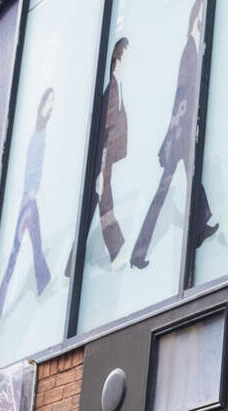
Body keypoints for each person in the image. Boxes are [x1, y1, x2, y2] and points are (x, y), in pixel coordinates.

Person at [129, 0, 217, 269]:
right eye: (200, 14)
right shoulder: (190, 49)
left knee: (187, 182)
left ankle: (199, 227)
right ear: (194, 19)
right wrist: (173, 136)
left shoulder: (194, 47)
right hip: (181, 133)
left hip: (181, 131)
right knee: (167, 190)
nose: (203, 19)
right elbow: (181, 96)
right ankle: (139, 252)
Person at [0, 87, 54, 323]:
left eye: (52, 104)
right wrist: (34, 193)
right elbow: (32, 169)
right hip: (29, 200)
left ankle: (43, 283)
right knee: (18, 252)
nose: (49, 108)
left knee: (34, 246)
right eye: (47, 103)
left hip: (29, 200)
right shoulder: (37, 135)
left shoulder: (41, 132)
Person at [90, 37, 130, 268]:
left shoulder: (118, 85)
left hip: (107, 161)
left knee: (89, 215)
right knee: (106, 205)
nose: (127, 62)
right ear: (116, 60)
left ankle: (70, 269)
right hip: (102, 162)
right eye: (125, 57)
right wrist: (100, 172)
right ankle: (116, 254)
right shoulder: (112, 90)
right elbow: (104, 135)